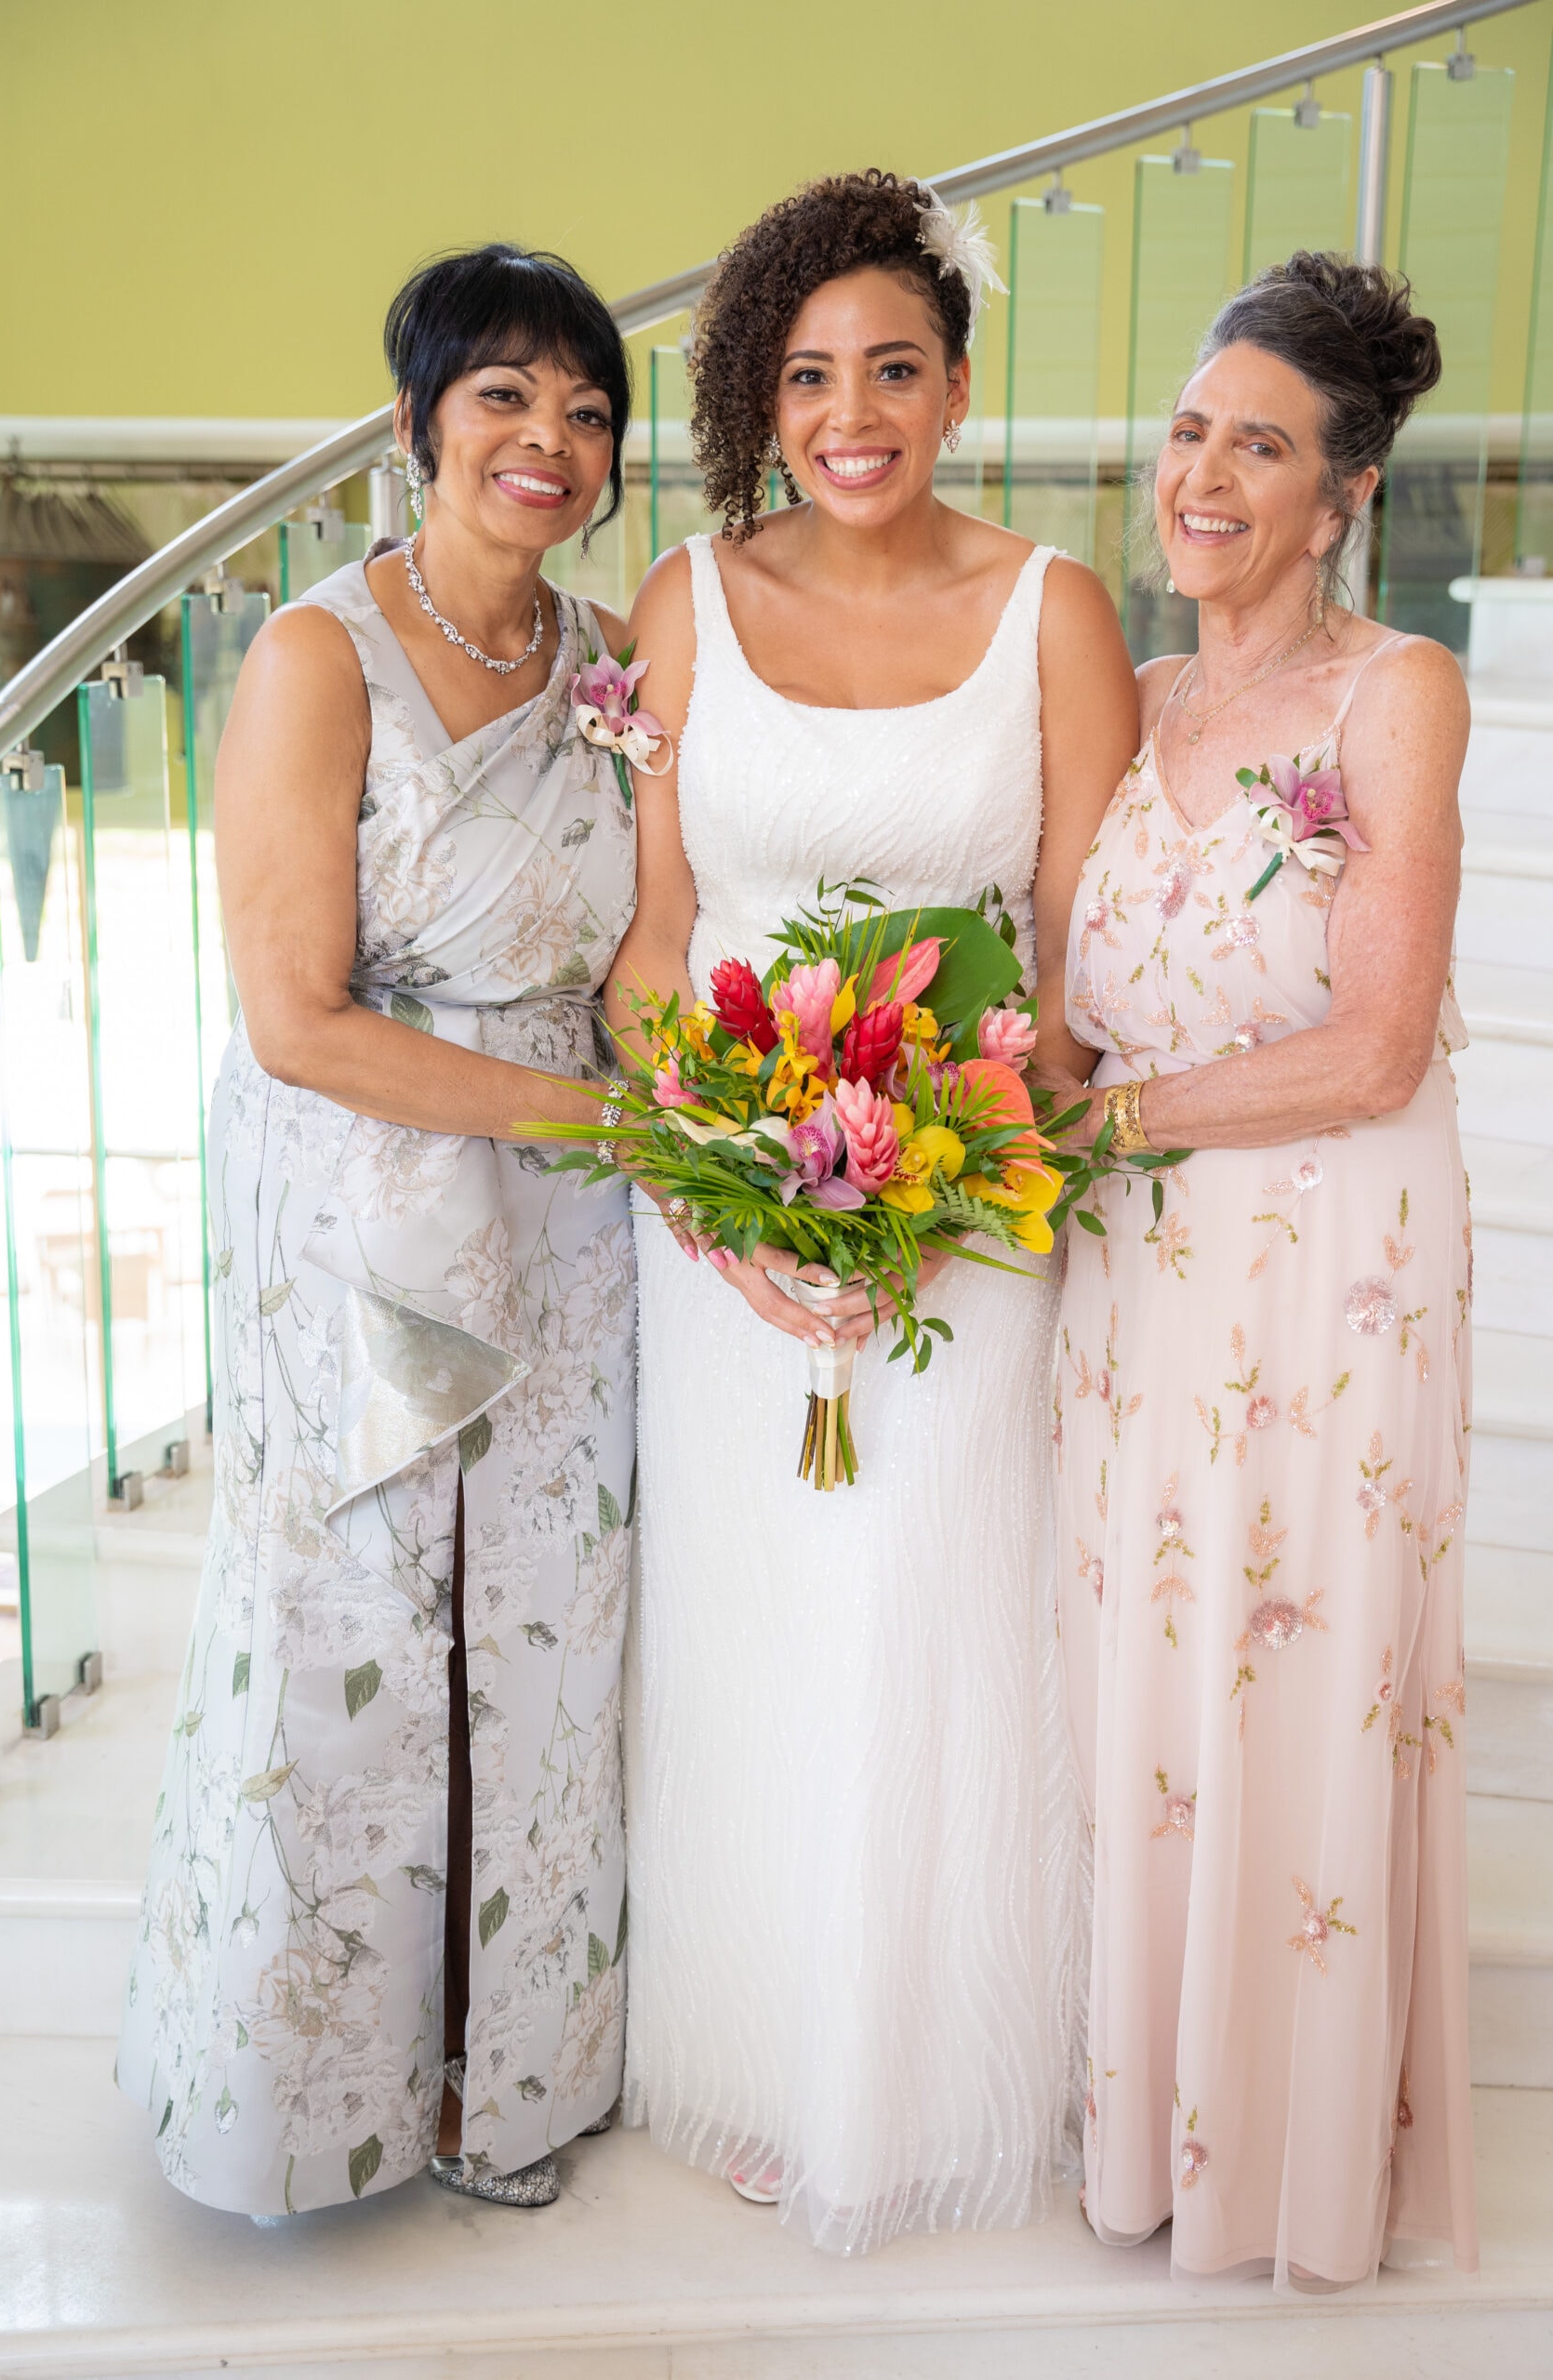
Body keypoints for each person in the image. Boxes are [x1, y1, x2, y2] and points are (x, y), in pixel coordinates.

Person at [611, 168, 1138, 2254]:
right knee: (753, 1628)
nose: (851, 414)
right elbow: (656, 943)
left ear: (956, 382)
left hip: (968, 1225)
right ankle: (756, 2052)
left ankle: (920, 2070)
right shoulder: (676, 600)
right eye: (808, 374)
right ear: (763, 392)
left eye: (891, 369)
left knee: (930, 1622)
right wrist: (727, 1179)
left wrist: (950, 1162)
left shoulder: (1053, 608)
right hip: (729, 1235)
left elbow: (1082, 965)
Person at [117, 244, 643, 2215]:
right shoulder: (312, 655)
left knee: (538, 1639)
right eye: (504, 394)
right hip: (360, 1212)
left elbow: (639, 956)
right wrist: (602, 1114)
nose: (549, 439)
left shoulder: (611, 673)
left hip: (577, 1229)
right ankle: (307, 2088)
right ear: (420, 418)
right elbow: (296, 1015)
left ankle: (498, 2082)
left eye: (587, 410)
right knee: (353, 1634)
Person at [1044, 252, 1476, 2289]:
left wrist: (1100, 1125)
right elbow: (1055, 1012)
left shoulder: (1394, 691)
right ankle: (1141, 2122)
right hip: (1130, 1290)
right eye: (1193, 427)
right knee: (1142, 1678)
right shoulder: (1119, 711)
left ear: (1343, 493)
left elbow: (1375, 1043)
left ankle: (1282, 2155)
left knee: (1289, 1660)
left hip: (1326, 1271)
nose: (1206, 472)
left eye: (1264, 444)